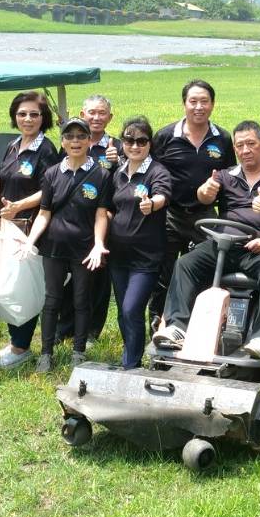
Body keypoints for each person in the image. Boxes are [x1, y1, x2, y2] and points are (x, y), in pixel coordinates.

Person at [153, 120, 260, 358]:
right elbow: (204, 197)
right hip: (223, 245)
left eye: (251, 144)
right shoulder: (225, 176)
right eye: (239, 146)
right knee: (185, 263)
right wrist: (204, 192)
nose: (245, 150)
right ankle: (177, 326)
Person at [26, 117, 113, 373]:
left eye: (81, 136)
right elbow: (44, 214)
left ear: (89, 141)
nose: (75, 141)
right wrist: (30, 240)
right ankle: (46, 353)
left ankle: (78, 351)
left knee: (81, 300)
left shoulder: (101, 174)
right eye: (70, 137)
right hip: (53, 246)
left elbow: (100, 214)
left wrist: (98, 244)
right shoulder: (52, 173)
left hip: (84, 249)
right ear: (62, 142)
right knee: (51, 300)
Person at [0, 90, 60, 370]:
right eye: (22, 114)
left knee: (23, 287)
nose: (27, 119)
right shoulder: (13, 145)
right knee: (9, 285)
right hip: (7, 227)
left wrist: (17, 207)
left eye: (34, 114)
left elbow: (50, 189)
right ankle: (16, 340)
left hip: (29, 229)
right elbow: (2, 183)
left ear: (43, 118)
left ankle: (21, 348)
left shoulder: (46, 149)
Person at [148, 79, 236, 322]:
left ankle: (196, 326)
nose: (199, 107)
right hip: (169, 215)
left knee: (206, 271)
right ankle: (156, 328)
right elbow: (150, 171)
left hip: (205, 215)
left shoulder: (223, 139)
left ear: (213, 104)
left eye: (204, 101)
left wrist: (224, 213)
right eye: (193, 101)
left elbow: (230, 181)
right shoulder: (166, 136)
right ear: (184, 104)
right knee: (162, 274)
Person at [103, 115, 173, 369]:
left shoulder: (157, 171)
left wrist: (151, 204)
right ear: (122, 142)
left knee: (133, 308)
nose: (135, 146)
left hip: (146, 257)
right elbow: (109, 207)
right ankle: (130, 354)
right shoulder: (118, 172)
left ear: (150, 144)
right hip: (118, 255)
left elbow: (163, 195)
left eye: (142, 141)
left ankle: (130, 364)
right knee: (123, 310)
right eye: (129, 140)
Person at [57, 93, 119, 345]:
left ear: (109, 117)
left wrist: (119, 161)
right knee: (69, 278)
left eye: (101, 113)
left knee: (98, 278)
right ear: (82, 114)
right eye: (91, 112)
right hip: (72, 220)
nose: (96, 117)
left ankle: (92, 330)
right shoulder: (70, 140)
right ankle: (65, 327)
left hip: (103, 219)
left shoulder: (116, 147)